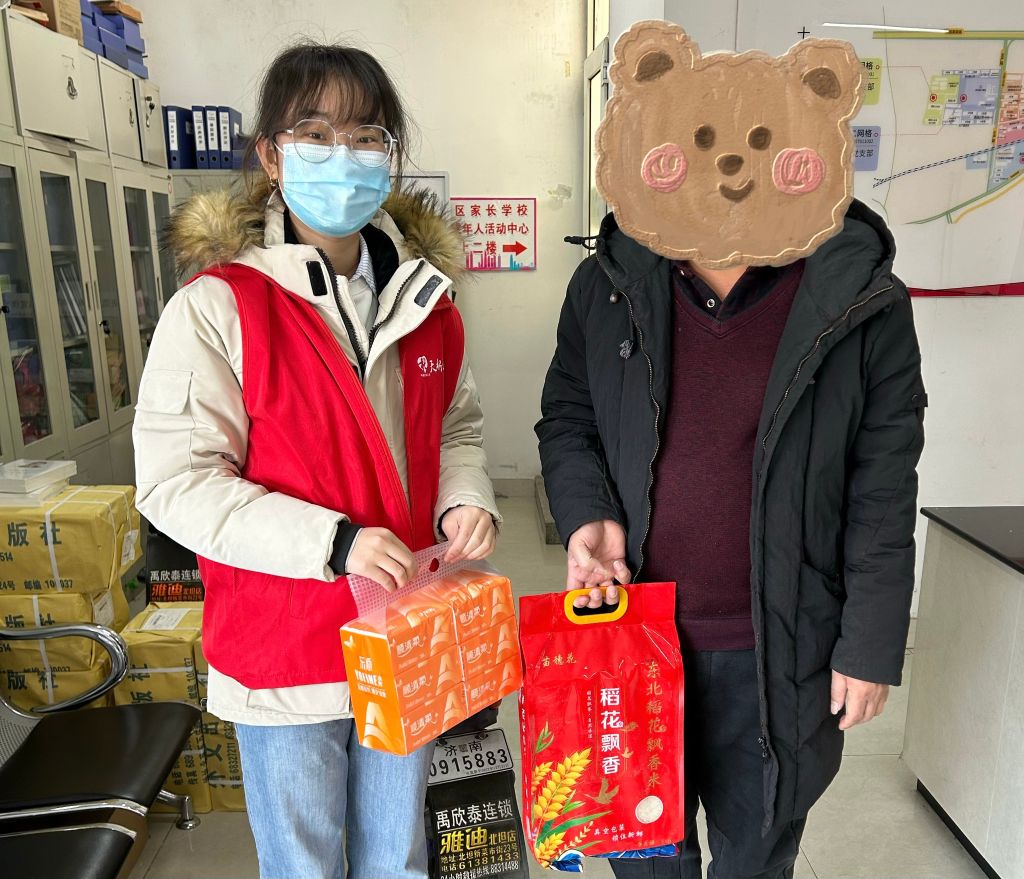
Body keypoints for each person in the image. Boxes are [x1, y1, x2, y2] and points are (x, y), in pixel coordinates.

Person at [537, 23, 926, 879]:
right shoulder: (608, 282)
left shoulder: (861, 302)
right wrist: (587, 512)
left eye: (759, 141)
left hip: (780, 642)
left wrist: (868, 643)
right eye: (703, 140)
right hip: (632, 635)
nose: (731, 165)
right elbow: (568, 417)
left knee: (757, 857)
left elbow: (883, 485)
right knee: (646, 856)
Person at [133, 42, 499, 879]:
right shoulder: (219, 306)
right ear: (271, 155)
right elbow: (177, 480)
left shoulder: (428, 304)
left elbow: (458, 427)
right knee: (305, 865)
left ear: (391, 157)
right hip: (285, 647)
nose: (345, 153)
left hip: (402, 633)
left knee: (400, 858)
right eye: (316, 132)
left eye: (368, 135)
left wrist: (464, 497)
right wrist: (332, 541)